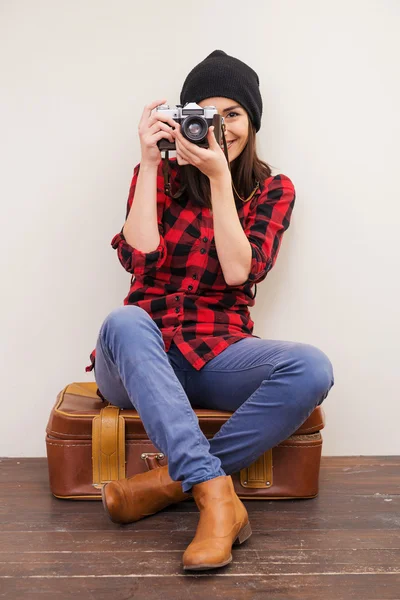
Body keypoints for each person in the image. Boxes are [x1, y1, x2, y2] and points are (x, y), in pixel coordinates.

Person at [86, 50, 335, 571]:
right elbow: (140, 256)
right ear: (183, 119)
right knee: (124, 320)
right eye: (205, 112)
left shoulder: (271, 189)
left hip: (216, 352)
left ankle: (169, 484)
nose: (219, 125)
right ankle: (217, 501)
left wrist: (222, 181)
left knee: (310, 367)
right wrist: (152, 163)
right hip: (140, 359)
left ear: (252, 121)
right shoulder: (155, 173)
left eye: (233, 114)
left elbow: (240, 271)